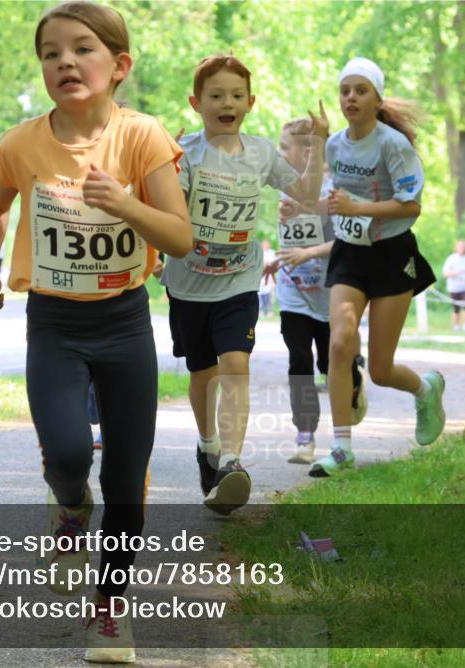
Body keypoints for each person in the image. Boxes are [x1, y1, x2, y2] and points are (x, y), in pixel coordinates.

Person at [0, 3, 191, 661]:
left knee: (127, 478)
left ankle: (110, 609)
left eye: (82, 48)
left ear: (119, 65)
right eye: (51, 53)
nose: (65, 61)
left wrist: (124, 203)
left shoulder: (142, 137)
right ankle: (70, 508)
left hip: (124, 323)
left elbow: (180, 237)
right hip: (54, 325)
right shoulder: (22, 144)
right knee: (68, 455)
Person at [159, 54, 327, 514]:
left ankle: (231, 463)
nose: (227, 103)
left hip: (239, 281)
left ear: (250, 103)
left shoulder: (261, 153)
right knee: (202, 374)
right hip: (189, 283)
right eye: (216, 95)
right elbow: (168, 211)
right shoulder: (185, 153)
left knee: (235, 363)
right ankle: (208, 446)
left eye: (236, 95)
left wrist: (319, 145)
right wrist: (160, 169)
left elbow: (307, 194)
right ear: (196, 103)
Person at [310, 57, 444, 477]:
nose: (350, 97)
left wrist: (358, 208)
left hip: (391, 254)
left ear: (377, 99)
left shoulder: (392, 145)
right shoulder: (335, 144)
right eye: (345, 90)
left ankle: (425, 389)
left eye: (360, 90)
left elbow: (411, 206)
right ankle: (341, 449)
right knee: (338, 343)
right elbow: (333, 196)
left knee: (382, 369)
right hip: (350, 252)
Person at [263, 118, 336, 466]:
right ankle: (305, 434)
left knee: (330, 363)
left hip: (330, 293)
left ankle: (354, 381)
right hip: (293, 291)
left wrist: (308, 254)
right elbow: (294, 237)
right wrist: (277, 262)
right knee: (300, 362)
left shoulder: (335, 188)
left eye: (283, 147)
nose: (279, 153)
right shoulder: (287, 186)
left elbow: (346, 242)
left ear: (308, 152)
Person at [442, 239, 465, 332]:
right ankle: (456, 326)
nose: (461, 248)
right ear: (456, 248)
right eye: (459, 247)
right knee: (456, 309)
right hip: (454, 287)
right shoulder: (451, 258)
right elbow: (445, 273)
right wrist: (454, 273)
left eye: (463, 247)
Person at [257, 238, 276, 316]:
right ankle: (260, 311)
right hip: (260, 277)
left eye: (267, 244)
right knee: (259, 294)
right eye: (264, 244)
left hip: (270, 277)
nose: (265, 245)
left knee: (270, 295)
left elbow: (275, 264)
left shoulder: (272, 253)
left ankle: (269, 311)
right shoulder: (259, 253)